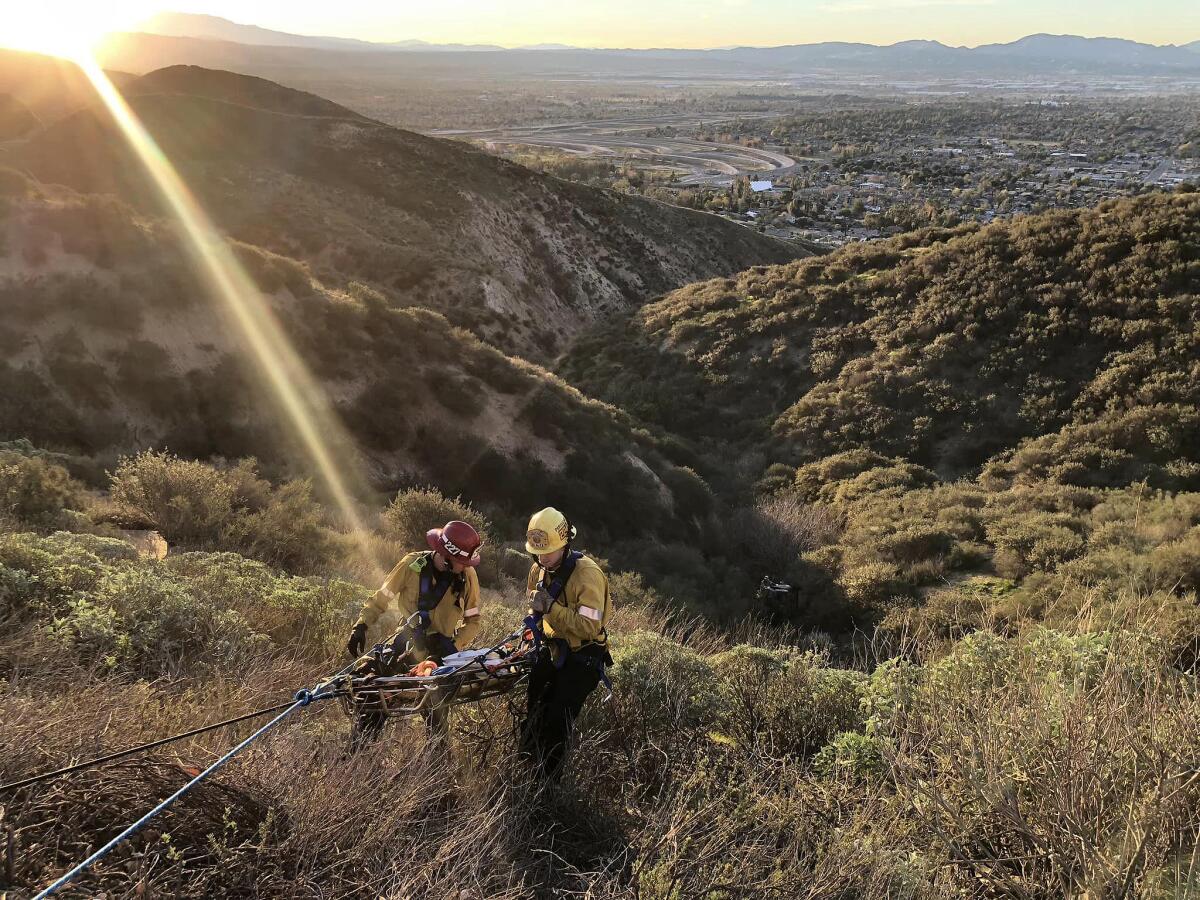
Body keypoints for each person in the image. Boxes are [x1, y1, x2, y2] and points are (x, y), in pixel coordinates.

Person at [346, 519, 484, 744]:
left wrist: (453, 647)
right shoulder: (411, 565)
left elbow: (473, 621)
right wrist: (361, 626)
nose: (466, 565)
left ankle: (435, 763)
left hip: (440, 651)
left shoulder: (467, 576)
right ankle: (358, 752)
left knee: (437, 715)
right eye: (461, 561)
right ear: (447, 557)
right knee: (376, 702)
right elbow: (382, 598)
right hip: (408, 643)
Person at [519, 507, 612, 779]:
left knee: (557, 722)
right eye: (537, 552)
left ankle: (546, 787)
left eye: (548, 551)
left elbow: (588, 626)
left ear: (565, 543)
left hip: (583, 656)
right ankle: (524, 770)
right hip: (553, 647)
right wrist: (531, 628)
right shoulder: (538, 569)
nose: (542, 557)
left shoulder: (587, 576)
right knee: (534, 708)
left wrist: (550, 609)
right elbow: (535, 608)